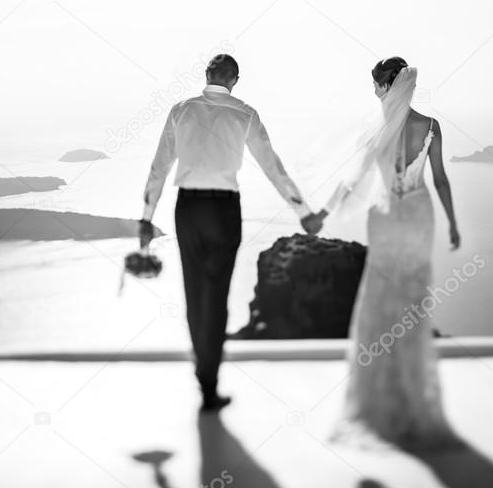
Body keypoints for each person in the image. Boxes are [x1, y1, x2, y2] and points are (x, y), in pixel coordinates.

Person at [138, 54, 323, 412]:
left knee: (194, 293)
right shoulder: (245, 114)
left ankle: (203, 378)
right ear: (235, 80)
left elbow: (159, 166)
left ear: (206, 75)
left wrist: (146, 216)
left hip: (188, 208)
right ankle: (210, 379)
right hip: (224, 210)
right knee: (216, 294)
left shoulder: (181, 110)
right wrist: (303, 212)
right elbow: (274, 168)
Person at [321, 56, 462, 449]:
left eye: (375, 84)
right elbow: (441, 180)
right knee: (413, 301)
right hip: (418, 214)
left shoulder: (376, 131)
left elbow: (353, 180)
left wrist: (321, 213)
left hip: (385, 217)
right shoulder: (430, 127)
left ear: (384, 87)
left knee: (381, 300)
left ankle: (376, 397)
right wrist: (452, 222)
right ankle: (411, 395)